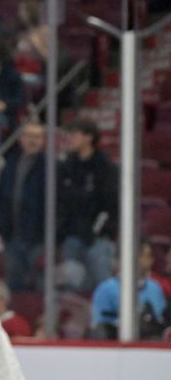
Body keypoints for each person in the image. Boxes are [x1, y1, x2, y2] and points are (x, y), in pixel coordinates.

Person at [57, 117, 118, 291]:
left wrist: (94, 232)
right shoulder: (67, 166)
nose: (70, 139)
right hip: (72, 237)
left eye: (75, 134)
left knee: (102, 286)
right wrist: (63, 230)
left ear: (89, 138)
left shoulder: (105, 168)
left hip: (98, 239)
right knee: (70, 288)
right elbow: (62, 202)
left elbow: (110, 207)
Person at [0, 120, 46, 292]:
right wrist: (3, 227)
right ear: (21, 139)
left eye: (38, 137)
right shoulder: (10, 164)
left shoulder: (49, 166)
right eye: (30, 136)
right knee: (15, 285)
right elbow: (2, 198)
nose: (33, 141)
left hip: (39, 237)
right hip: (13, 235)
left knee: (42, 283)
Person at [90, 240, 167, 340]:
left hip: (150, 347)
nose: (151, 260)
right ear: (134, 258)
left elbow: (160, 322)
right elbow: (99, 327)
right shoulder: (105, 290)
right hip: (115, 348)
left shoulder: (155, 288)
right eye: (146, 256)